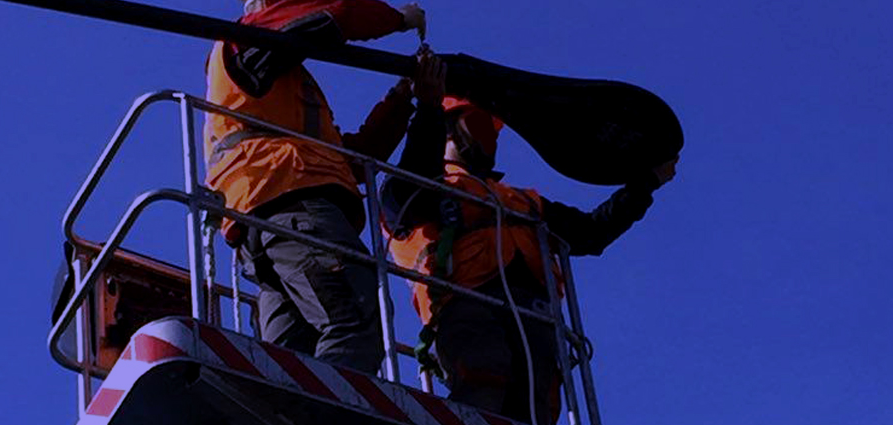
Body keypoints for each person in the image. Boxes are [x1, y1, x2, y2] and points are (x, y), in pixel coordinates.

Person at [381, 52, 677, 424]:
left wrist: (645, 185)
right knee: (483, 380)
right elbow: (413, 187)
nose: (489, 139)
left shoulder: (522, 201)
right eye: (479, 124)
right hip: (464, 303)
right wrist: (426, 107)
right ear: (450, 128)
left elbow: (589, 233)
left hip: (533, 313)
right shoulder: (411, 189)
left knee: (539, 405)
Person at [203, 0, 426, 374]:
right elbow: (332, 16)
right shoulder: (246, 39)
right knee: (353, 321)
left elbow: (354, 158)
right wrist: (400, 19)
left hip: (270, 222)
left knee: (291, 364)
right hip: (291, 204)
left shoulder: (277, 94)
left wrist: (403, 99)